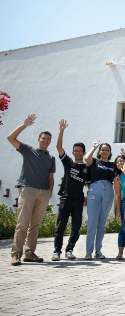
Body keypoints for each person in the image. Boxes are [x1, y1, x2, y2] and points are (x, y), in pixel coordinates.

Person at [8, 114, 55, 266]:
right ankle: (16, 254)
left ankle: (30, 253)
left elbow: (50, 178)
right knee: (22, 223)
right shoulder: (28, 150)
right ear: (38, 139)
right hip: (27, 189)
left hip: (43, 193)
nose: (46, 140)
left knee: (35, 225)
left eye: (48, 139)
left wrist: (49, 193)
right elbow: (10, 138)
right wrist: (24, 125)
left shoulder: (51, 158)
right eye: (43, 138)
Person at [52, 119, 90, 261]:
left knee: (76, 228)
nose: (78, 153)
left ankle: (69, 250)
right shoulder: (68, 162)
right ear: (73, 152)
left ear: (84, 152)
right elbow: (58, 146)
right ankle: (57, 252)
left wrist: (87, 196)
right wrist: (61, 131)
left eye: (81, 151)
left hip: (78, 201)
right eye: (76, 151)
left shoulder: (87, 168)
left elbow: (88, 184)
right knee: (60, 227)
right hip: (66, 198)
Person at [84, 139, 114, 260]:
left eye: (107, 150)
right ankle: (88, 252)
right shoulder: (94, 162)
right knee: (92, 222)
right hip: (94, 190)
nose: (105, 152)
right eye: (103, 150)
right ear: (100, 151)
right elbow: (86, 159)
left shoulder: (112, 165)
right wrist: (94, 147)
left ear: (110, 152)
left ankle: (98, 251)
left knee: (102, 223)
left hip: (108, 190)